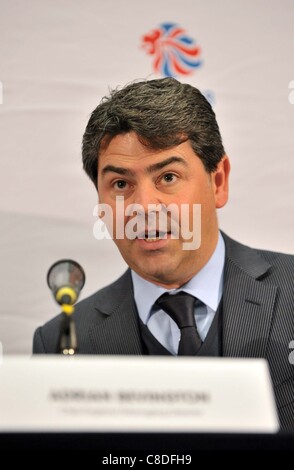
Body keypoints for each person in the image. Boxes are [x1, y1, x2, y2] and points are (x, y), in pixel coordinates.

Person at [33, 77, 294, 431]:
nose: (143, 207)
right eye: (121, 185)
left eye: (168, 177)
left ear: (218, 182)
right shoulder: (62, 341)